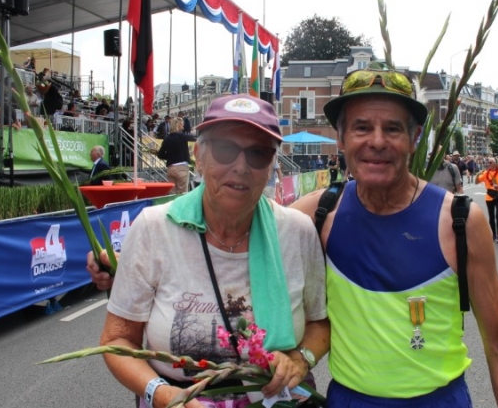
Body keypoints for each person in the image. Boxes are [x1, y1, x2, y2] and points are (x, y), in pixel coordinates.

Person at [292, 64, 498, 406]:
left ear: (414, 138)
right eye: (361, 128)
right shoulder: (315, 215)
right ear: (341, 138)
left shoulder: (459, 221)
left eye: (392, 129)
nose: (377, 141)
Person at [97, 94, 328, 408]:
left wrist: (301, 360)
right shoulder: (154, 228)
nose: (241, 166)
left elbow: (319, 322)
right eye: (225, 150)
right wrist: (164, 396)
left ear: (272, 165)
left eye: (258, 153)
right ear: (199, 157)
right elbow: (118, 340)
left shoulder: (297, 232)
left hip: (278, 400)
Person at [476, 157, 498, 244]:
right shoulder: (485, 173)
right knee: (491, 216)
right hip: (489, 196)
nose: (488, 164)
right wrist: (477, 175)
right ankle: (494, 234)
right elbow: (476, 182)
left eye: (490, 162)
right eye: (488, 162)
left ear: (495, 164)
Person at [157, 117, 193, 195]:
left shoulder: (167, 139)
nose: (183, 126)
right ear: (178, 125)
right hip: (181, 168)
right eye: (182, 124)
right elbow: (194, 138)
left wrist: (170, 156)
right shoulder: (183, 137)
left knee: (172, 193)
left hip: (170, 168)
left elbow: (160, 154)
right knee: (182, 194)